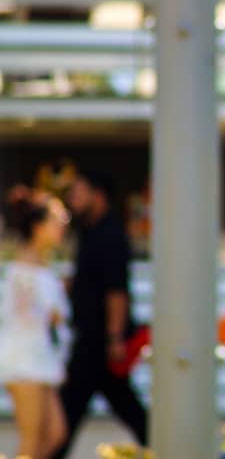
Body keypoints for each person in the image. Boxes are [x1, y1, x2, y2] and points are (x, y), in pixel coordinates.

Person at [51, 171, 147, 459]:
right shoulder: (87, 232)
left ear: (98, 195)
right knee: (124, 406)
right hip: (92, 338)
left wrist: (115, 337)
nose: (73, 199)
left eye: (79, 192)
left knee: (70, 409)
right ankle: (165, 445)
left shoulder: (110, 234)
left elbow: (117, 292)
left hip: (100, 341)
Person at [1, 188, 70, 458]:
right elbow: (25, 317)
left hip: (41, 360)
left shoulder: (43, 266)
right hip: (25, 361)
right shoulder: (22, 271)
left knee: (54, 434)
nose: (62, 228)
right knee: (31, 440)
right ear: (38, 227)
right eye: (57, 221)